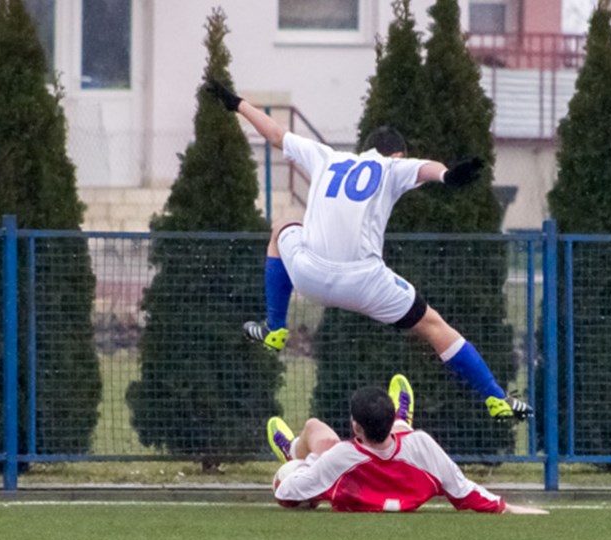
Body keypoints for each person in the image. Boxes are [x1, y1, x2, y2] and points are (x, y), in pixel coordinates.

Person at [205, 79, 531, 421]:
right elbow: (427, 168)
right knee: (435, 328)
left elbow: (275, 134)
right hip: (365, 282)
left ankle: (274, 328)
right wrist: (448, 175)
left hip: (309, 275)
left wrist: (237, 103)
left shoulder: (326, 158)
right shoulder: (391, 167)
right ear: (397, 154)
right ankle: (496, 398)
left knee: (283, 228)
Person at [267, 373, 548, 514]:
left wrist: (311, 462)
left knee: (317, 430)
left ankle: (292, 450)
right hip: (399, 472)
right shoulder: (422, 445)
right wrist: (507, 507)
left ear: (355, 427)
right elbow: (463, 491)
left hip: (339, 472)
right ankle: (402, 418)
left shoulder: (339, 456)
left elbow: (285, 493)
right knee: (408, 436)